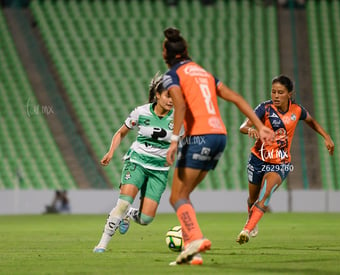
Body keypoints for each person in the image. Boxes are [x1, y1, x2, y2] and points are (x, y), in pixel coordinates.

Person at [161, 27, 275, 265]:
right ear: (186, 50)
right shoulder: (204, 73)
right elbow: (235, 97)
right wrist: (259, 126)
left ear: (165, 53)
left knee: (176, 196)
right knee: (184, 195)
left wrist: (173, 141)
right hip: (219, 136)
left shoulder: (172, 75)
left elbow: (179, 106)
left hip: (199, 136)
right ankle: (194, 253)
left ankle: (196, 239)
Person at [236, 75, 335, 244]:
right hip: (258, 159)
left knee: (265, 194)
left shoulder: (297, 110)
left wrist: (326, 137)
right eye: (273, 91)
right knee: (252, 199)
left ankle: (246, 229)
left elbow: (311, 121)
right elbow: (243, 126)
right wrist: (250, 130)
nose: (275, 95)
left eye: (280, 92)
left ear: (289, 93)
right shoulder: (264, 108)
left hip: (280, 162)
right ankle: (251, 217)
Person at [93, 72, 177, 253]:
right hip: (137, 161)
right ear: (158, 95)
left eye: (174, 96)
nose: (171, 100)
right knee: (122, 202)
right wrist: (111, 151)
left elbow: (182, 143)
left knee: (146, 219)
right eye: (168, 96)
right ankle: (102, 244)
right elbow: (121, 132)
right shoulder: (141, 112)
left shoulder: (178, 118)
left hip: (159, 169)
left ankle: (129, 214)